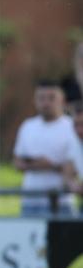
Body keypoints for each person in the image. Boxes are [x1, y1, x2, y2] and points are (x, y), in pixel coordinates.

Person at [13, 81, 82, 216]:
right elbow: (17, 161)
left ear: (62, 100)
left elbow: (73, 168)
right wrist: (36, 164)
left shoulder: (74, 127)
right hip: (30, 202)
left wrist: (52, 166)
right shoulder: (28, 126)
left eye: (51, 98)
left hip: (61, 203)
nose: (46, 103)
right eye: (41, 98)